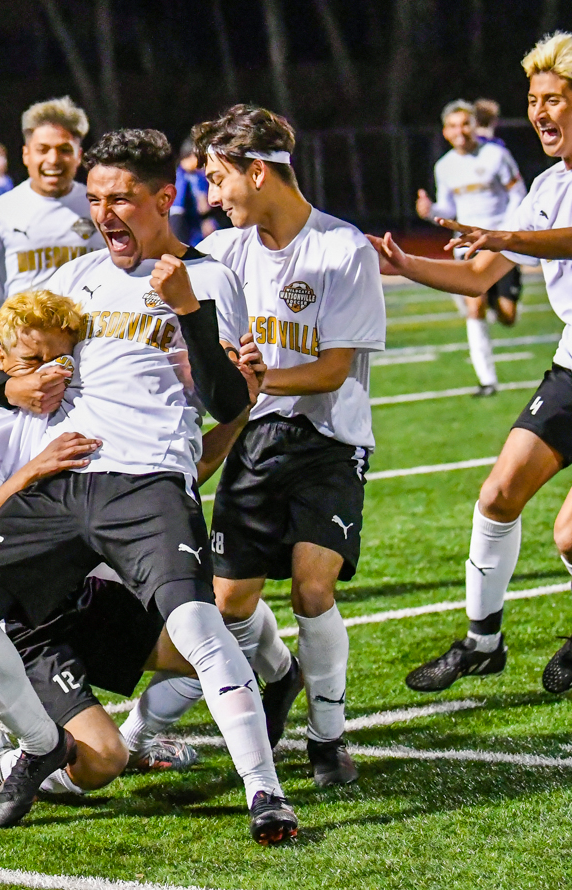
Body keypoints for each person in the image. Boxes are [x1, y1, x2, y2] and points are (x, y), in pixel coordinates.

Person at [0, 128, 298, 845]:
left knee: (199, 627)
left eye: (122, 199)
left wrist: (190, 312)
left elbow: (229, 401)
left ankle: (266, 793)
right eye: (96, 198)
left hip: (148, 483)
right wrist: (16, 384)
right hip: (64, 476)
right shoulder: (71, 279)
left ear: (164, 198)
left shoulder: (210, 276)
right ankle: (40, 744)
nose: (104, 213)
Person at [368, 32, 572, 697]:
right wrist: (407, 267)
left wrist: (502, 234)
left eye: (556, 99)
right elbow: (478, 278)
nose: (543, 113)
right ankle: (481, 641)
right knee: (496, 495)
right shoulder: (549, 186)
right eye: (533, 100)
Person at [0, 289, 260, 798]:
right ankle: (5, 761)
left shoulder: (88, 409)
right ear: (1, 362)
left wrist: (237, 415)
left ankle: (142, 738)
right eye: (32, 362)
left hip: (92, 599)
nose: (50, 375)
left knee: (223, 643)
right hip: (29, 621)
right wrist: (31, 473)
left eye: (61, 360)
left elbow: (173, 479)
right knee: (100, 762)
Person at [184, 104, 386, 788]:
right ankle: (281, 675)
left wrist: (261, 377)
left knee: (311, 586)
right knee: (231, 600)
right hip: (257, 437)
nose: (212, 196)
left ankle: (328, 741)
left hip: (329, 438)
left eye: (218, 178)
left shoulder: (341, 249)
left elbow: (333, 369)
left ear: (259, 172)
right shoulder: (220, 254)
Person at [0, 97, 105, 334]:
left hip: (94, 354)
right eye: (43, 150)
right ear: (26, 155)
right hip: (24, 360)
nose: (53, 160)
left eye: (64, 150)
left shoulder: (102, 207)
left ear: (79, 155)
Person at [417, 100, 527, 395]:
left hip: (499, 244)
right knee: (473, 308)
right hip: (467, 246)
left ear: (475, 125)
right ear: (445, 131)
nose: (460, 131)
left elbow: (518, 193)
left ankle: (495, 297)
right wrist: (428, 211)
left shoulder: (497, 155)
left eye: (465, 123)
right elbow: (448, 209)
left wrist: (504, 233)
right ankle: (487, 380)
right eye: (453, 126)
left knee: (507, 316)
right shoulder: (445, 166)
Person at [170, 139, 211, 246]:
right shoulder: (178, 176)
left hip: (199, 225)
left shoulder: (199, 176)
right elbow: (177, 209)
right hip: (182, 224)